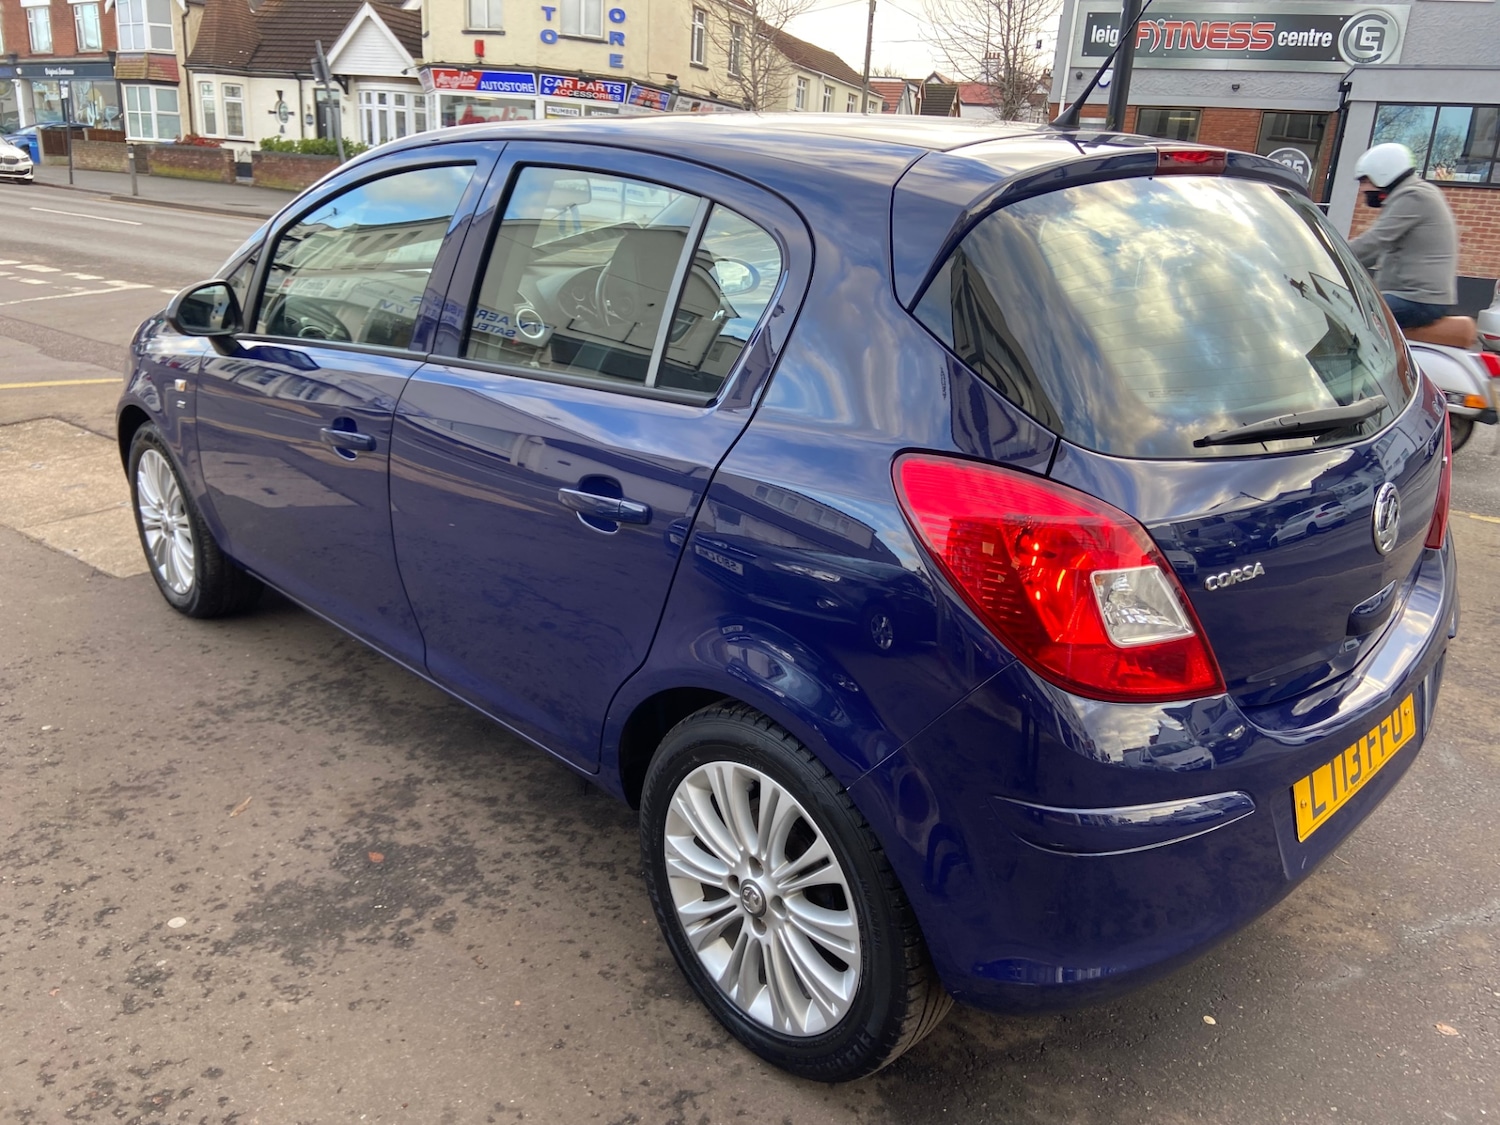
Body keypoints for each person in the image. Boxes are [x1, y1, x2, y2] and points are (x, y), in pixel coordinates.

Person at [1348, 142, 1459, 330]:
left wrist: (1326, 256)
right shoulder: (1409, 194)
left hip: (1418, 300)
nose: (1362, 189)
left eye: (1365, 181)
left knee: (1345, 316)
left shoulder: (1414, 196)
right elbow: (1374, 253)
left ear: (1384, 173)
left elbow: (1374, 241)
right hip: (1410, 296)